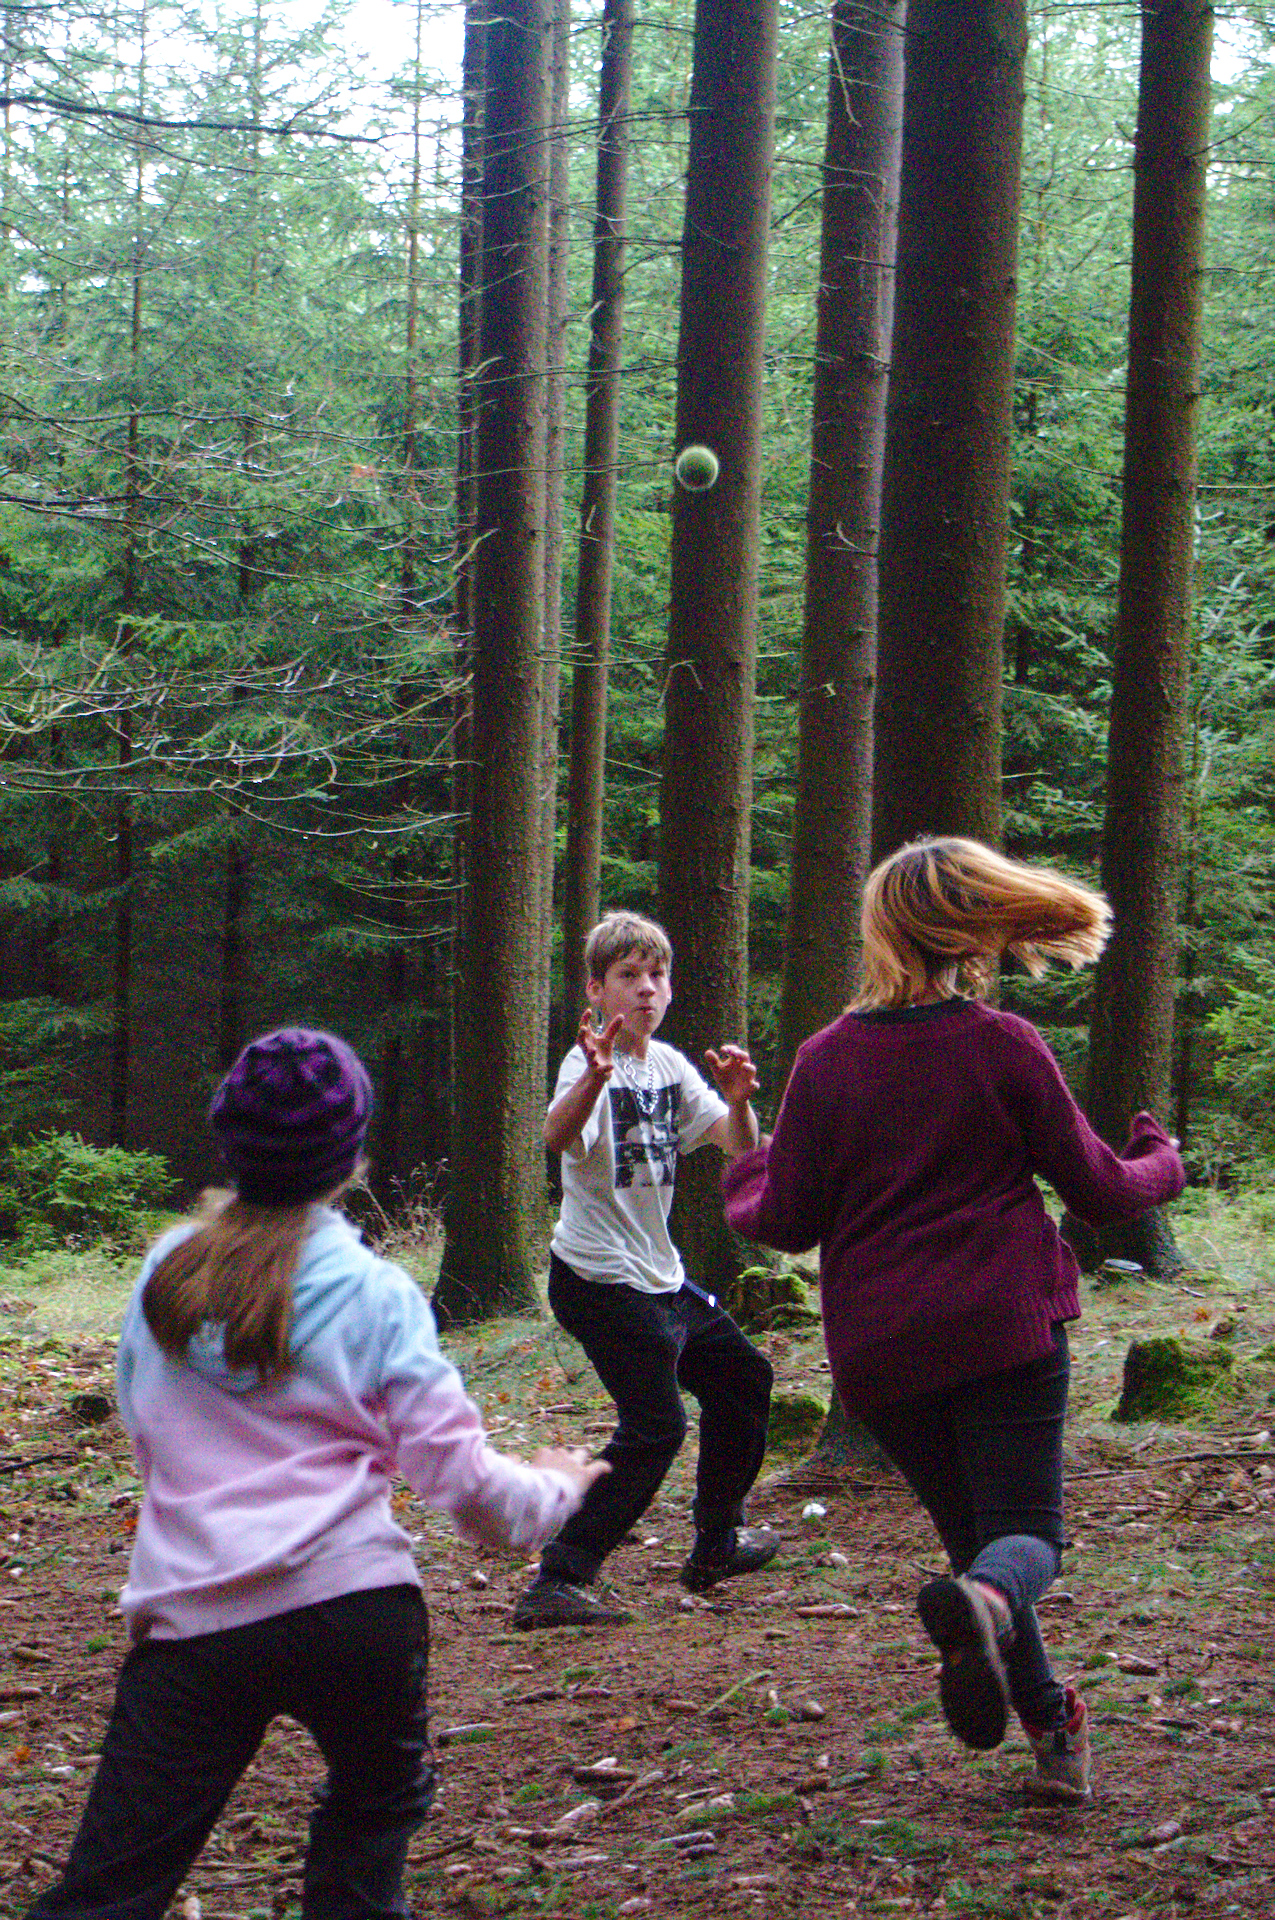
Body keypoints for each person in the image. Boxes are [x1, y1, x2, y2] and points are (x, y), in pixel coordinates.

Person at [29, 1027, 606, 1920]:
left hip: (194, 1625)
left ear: (230, 1142)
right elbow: (468, 1492)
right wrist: (556, 1488)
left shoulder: (164, 1276)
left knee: (107, 1892)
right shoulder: (376, 1294)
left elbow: (148, 1435)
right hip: (353, 1615)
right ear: (352, 1156)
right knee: (371, 1822)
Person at [722, 839, 1185, 1803]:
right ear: (971, 929)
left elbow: (785, 1222)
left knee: (979, 1552)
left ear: (879, 931)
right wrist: (1162, 1161)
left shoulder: (824, 1059)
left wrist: (743, 1161)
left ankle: (1051, 1727)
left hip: (881, 1350)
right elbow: (1100, 1192)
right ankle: (992, 1623)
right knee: (1023, 1542)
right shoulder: (1000, 1043)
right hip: (1001, 1325)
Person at [512, 910, 777, 1629]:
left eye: (656, 975)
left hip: (661, 1278)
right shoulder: (585, 1064)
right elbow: (556, 1136)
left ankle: (717, 1543)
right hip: (598, 1280)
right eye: (628, 976)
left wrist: (739, 1102)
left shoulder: (668, 1066)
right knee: (656, 1427)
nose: (646, 989)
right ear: (596, 991)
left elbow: (738, 1145)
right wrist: (593, 1080)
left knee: (743, 1378)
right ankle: (558, 1579)